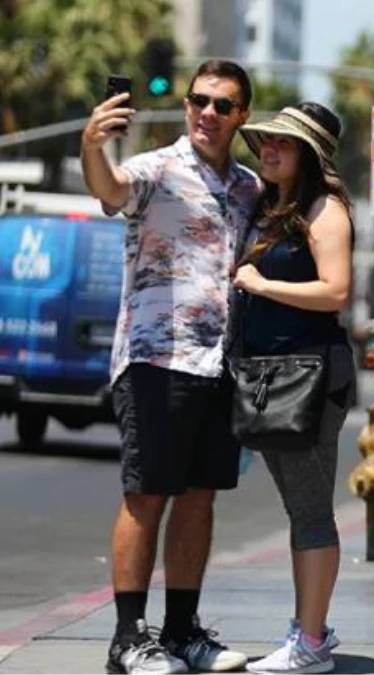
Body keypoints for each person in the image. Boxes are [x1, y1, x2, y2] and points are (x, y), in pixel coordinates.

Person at [81, 60, 257, 675]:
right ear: (186, 107)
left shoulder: (247, 188)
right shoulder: (158, 168)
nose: (207, 112)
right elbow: (109, 189)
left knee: (200, 498)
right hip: (157, 358)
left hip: (218, 365)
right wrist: (92, 144)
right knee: (146, 496)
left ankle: (182, 631)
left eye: (223, 104)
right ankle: (129, 638)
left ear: (242, 116)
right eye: (199, 100)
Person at [232, 102, 356, 674]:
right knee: (298, 510)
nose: (268, 150)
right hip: (269, 377)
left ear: (308, 153)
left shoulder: (324, 211)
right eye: (265, 143)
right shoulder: (270, 207)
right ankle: (310, 632)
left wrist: (260, 283)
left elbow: (336, 292)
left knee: (310, 512)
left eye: (281, 144)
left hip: (310, 378)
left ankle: (309, 643)